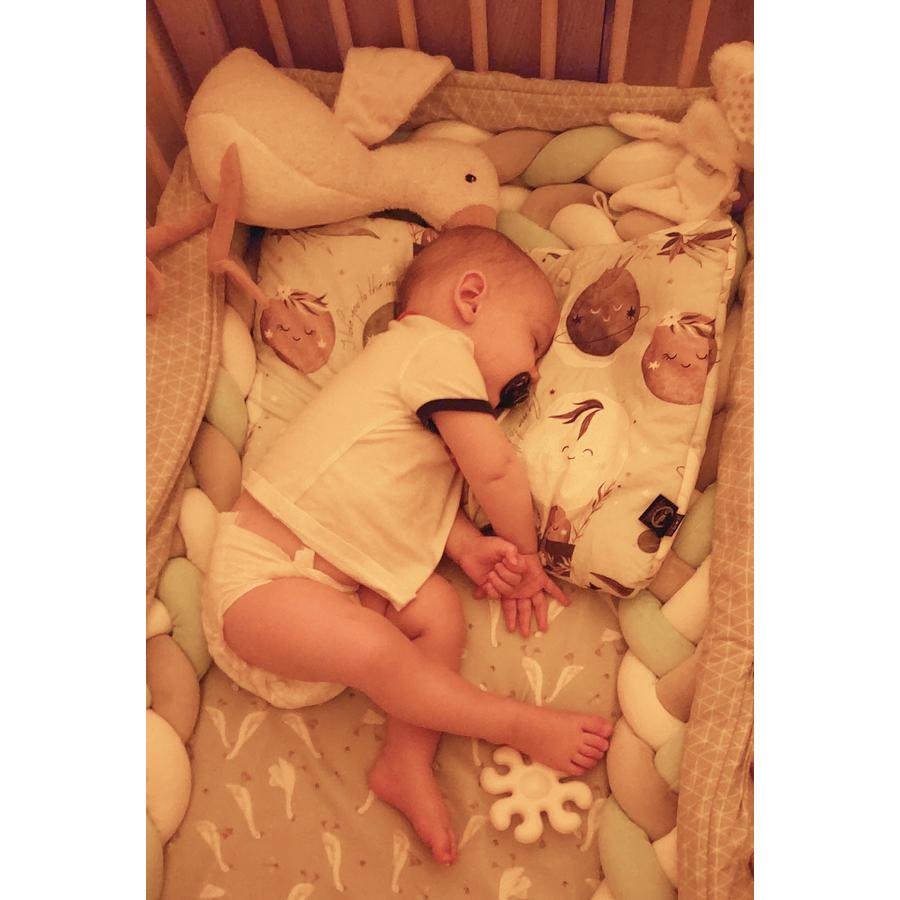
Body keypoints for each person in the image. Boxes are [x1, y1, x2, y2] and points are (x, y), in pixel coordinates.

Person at [202, 225, 613, 866]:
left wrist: (467, 547)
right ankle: (513, 723)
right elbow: (496, 471)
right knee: (377, 648)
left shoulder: (421, 396)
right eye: (532, 343)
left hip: (341, 587)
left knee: (440, 610)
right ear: (470, 298)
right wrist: (526, 553)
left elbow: (392, 495)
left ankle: (405, 760)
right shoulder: (433, 349)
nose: (533, 373)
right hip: (261, 583)